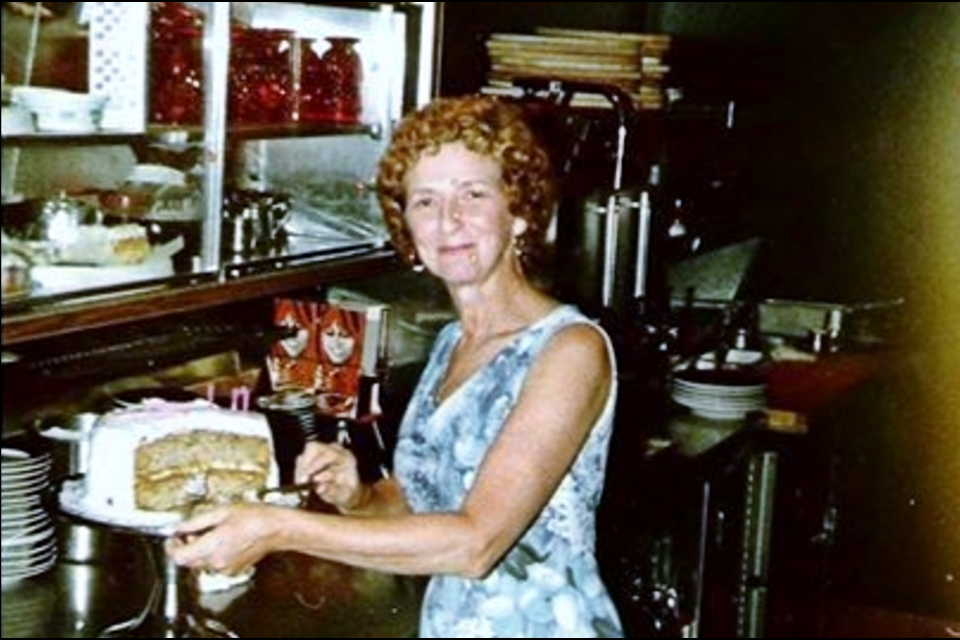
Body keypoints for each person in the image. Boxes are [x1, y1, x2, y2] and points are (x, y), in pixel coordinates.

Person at [166, 94, 624, 638]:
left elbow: (475, 542)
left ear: (519, 212)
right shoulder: (452, 342)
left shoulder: (569, 350)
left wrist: (278, 528)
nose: (448, 220)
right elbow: (422, 499)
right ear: (408, 228)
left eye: (473, 194)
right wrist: (359, 497)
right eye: (425, 201)